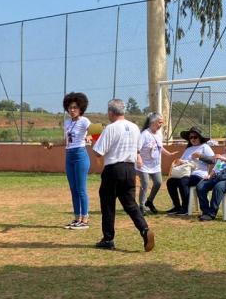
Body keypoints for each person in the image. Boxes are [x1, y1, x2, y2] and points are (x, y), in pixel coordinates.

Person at [92, 99, 155, 252]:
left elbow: (98, 152)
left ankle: (108, 239)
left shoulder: (111, 128)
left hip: (113, 169)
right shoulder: (134, 127)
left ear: (110, 112)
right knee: (130, 204)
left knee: (108, 204)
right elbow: (137, 149)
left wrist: (92, 140)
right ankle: (144, 230)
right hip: (129, 169)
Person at [165, 125, 214, 215]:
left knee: (183, 181)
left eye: (195, 137)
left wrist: (201, 156)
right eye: (191, 137)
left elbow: (213, 160)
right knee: (170, 182)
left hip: (199, 175)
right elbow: (183, 161)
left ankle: (185, 208)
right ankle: (177, 206)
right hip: (185, 173)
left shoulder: (205, 147)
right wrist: (179, 161)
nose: (193, 139)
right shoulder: (188, 149)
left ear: (200, 137)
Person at [195, 137, 226, 221]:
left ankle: (212, 213)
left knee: (219, 186)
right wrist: (209, 176)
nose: (225, 148)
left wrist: (225, 160)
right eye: (224, 146)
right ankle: (206, 211)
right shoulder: (222, 156)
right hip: (217, 178)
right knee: (200, 186)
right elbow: (215, 170)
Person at [136, 112, 176, 215]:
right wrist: (139, 159)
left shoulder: (158, 134)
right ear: (152, 122)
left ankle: (149, 201)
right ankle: (141, 206)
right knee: (145, 184)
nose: (161, 125)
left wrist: (169, 154)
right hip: (143, 165)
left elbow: (160, 147)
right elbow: (137, 149)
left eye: (162, 123)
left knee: (158, 183)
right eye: (159, 122)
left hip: (155, 165)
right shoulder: (144, 134)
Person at [62, 92, 91, 230]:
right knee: (73, 189)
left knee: (81, 189)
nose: (72, 110)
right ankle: (77, 218)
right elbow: (66, 141)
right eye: (69, 107)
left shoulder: (84, 121)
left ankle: (85, 219)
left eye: (75, 107)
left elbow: (97, 131)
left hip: (80, 155)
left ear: (81, 108)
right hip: (69, 156)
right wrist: (51, 144)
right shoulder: (67, 122)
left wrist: (90, 137)